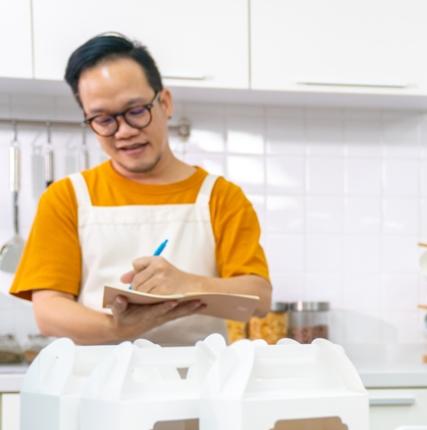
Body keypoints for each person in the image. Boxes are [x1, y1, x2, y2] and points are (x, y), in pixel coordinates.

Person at [10, 33, 271, 346]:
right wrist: (118, 328)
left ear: (165, 102)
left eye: (135, 111)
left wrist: (187, 284)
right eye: (103, 119)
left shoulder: (219, 196)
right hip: (99, 385)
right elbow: (49, 310)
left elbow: (259, 298)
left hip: (196, 383)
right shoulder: (68, 197)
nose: (124, 132)